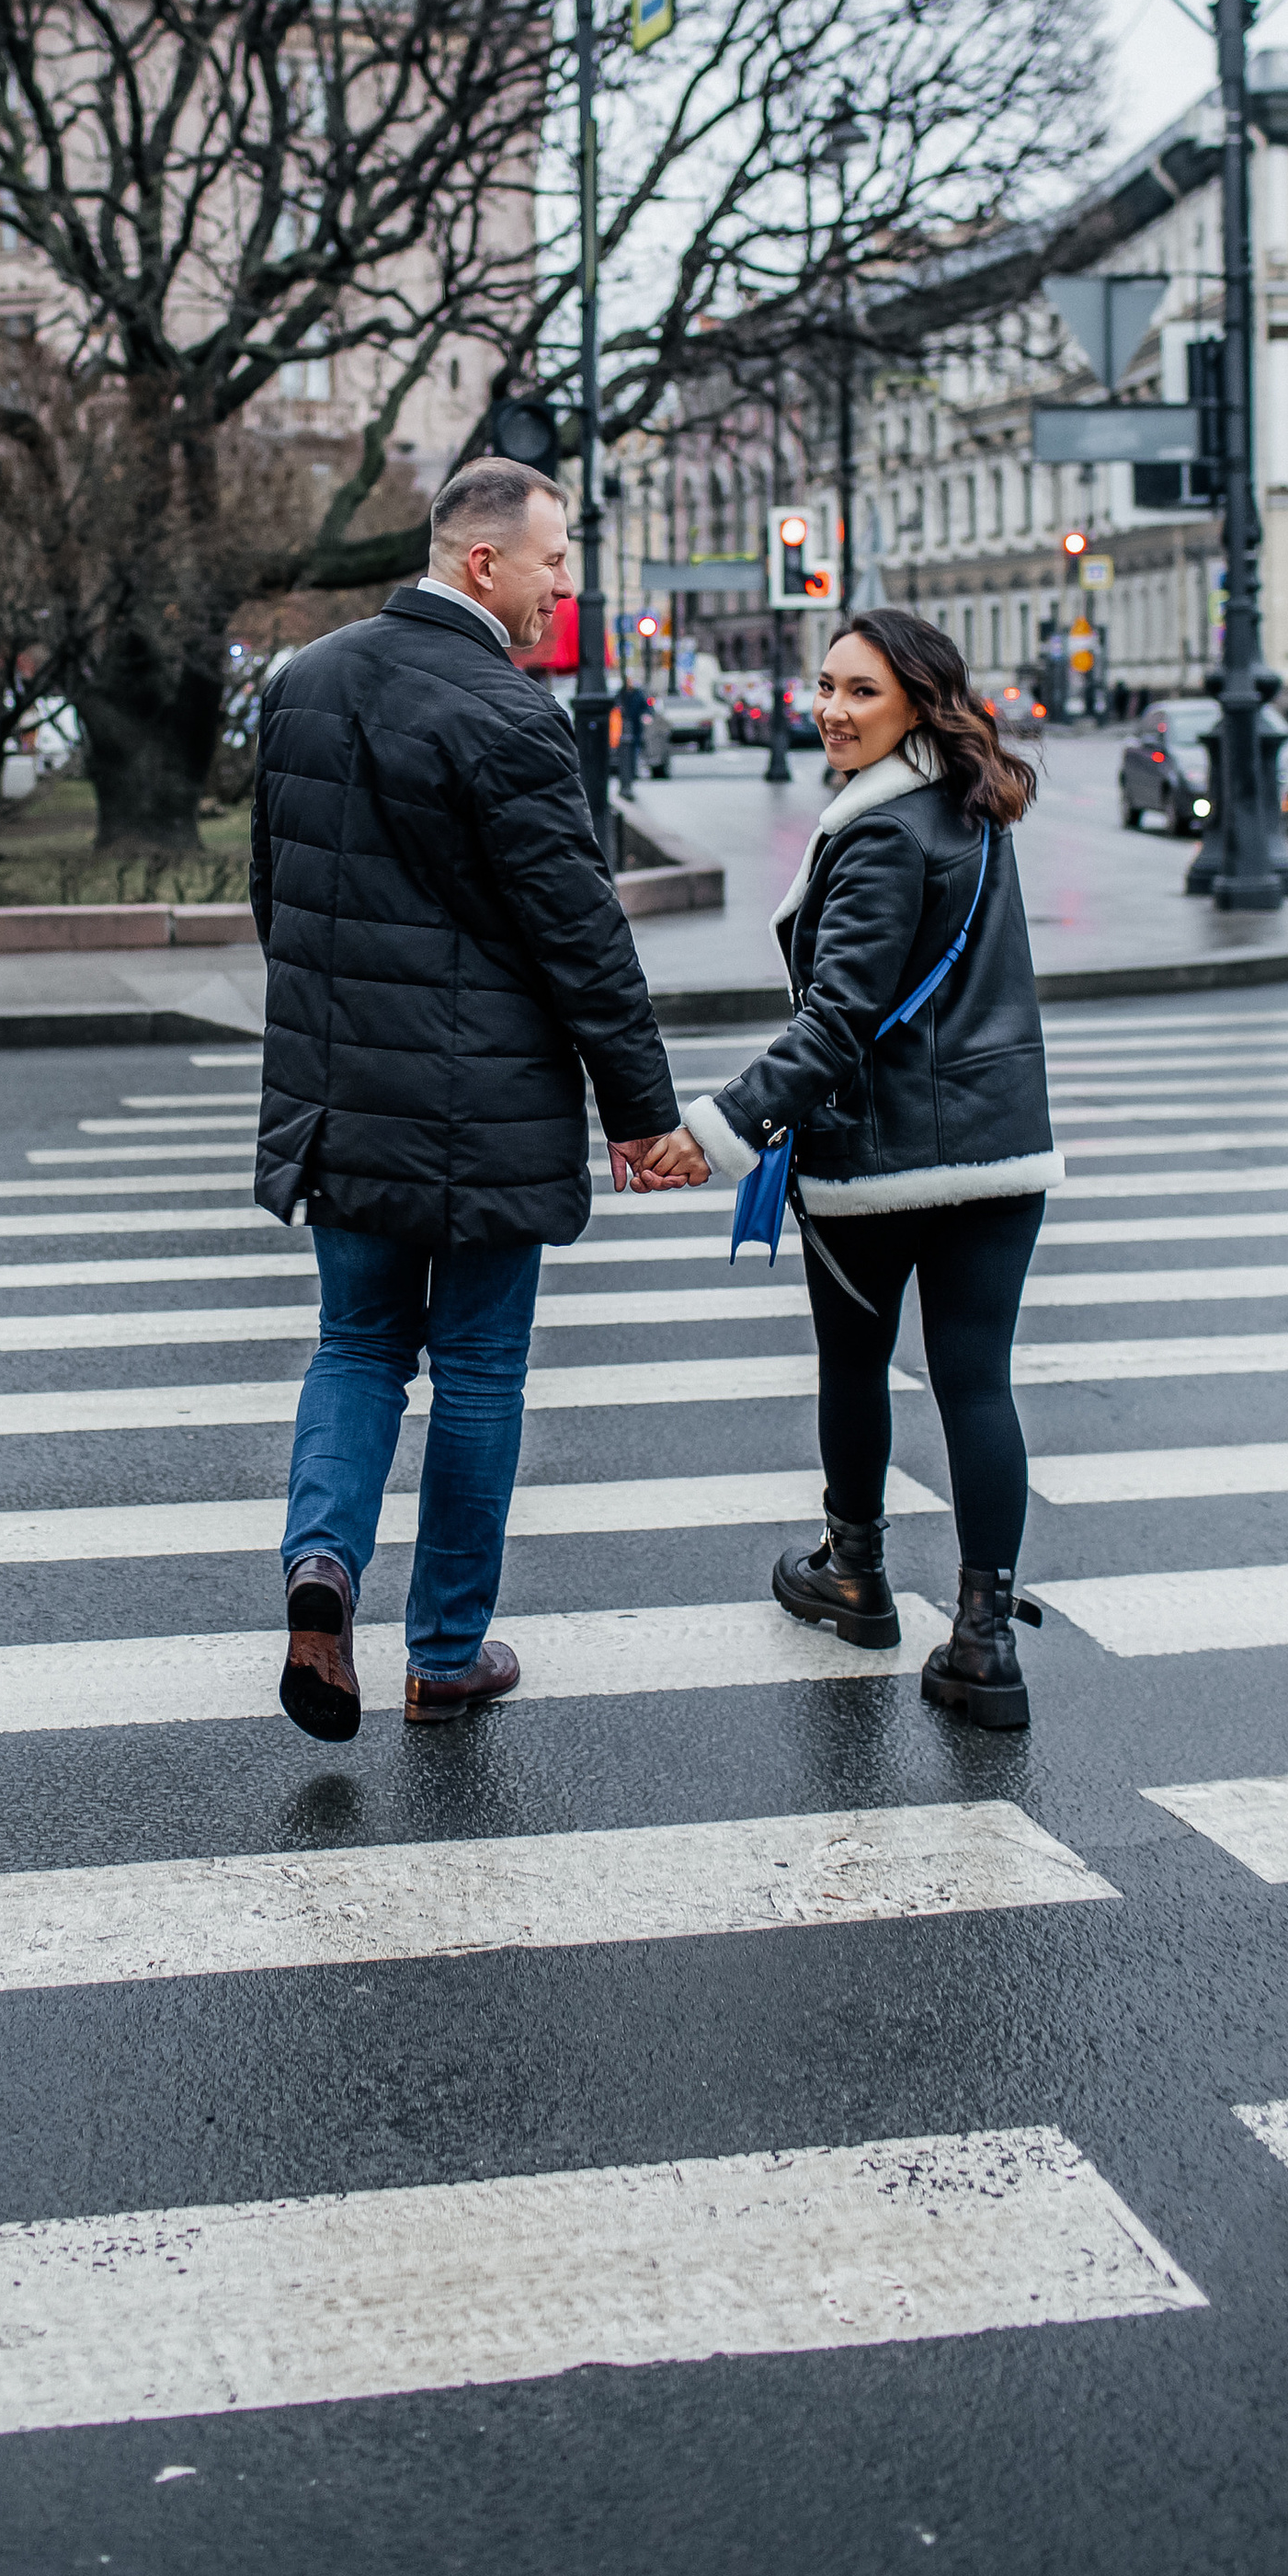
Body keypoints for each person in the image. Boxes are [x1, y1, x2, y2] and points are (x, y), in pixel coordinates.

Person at [250, 455, 701, 1739]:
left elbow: (278, 905)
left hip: (346, 1098)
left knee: (355, 1349)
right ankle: (445, 1653)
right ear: (484, 563)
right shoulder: (510, 716)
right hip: (490, 1106)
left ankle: (322, 1569)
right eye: (558, 561)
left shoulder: (305, 684)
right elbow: (582, 938)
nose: (571, 586)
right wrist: (642, 1112)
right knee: (483, 1371)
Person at [638, 608, 1059, 1729]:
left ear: (918, 702)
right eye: (824, 687)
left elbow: (836, 1023)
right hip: (1000, 1146)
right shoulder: (974, 808)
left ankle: (856, 1573)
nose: (829, 709)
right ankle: (982, 1639)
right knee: (977, 1383)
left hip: (879, 1159)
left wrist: (716, 1132)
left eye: (859, 692)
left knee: (855, 1364)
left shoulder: (880, 833)